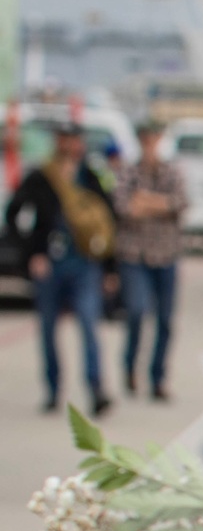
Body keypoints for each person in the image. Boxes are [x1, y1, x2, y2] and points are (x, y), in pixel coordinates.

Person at [5, 123, 116, 415]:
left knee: (89, 325)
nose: (70, 145)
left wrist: (109, 266)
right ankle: (53, 390)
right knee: (47, 329)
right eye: (64, 139)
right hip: (51, 265)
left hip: (84, 263)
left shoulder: (90, 176)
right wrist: (32, 254)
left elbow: (108, 220)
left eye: (74, 140)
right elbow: (13, 213)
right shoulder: (42, 176)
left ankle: (96, 389)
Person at [114, 120, 188, 402]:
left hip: (166, 254)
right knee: (136, 311)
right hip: (135, 254)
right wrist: (159, 204)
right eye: (145, 137)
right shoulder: (128, 171)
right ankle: (130, 366)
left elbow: (180, 203)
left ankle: (157, 377)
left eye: (154, 137)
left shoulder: (172, 171)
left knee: (166, 320)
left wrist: (146, 201)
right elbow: (124, 207)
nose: (150, 142)